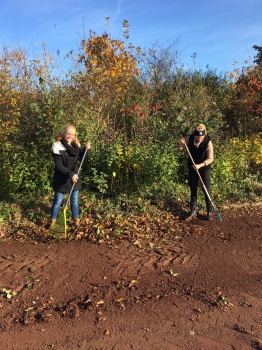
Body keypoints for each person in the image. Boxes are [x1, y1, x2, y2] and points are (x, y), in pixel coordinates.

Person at [48, 124, 91, 229]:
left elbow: (80, 159)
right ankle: (52, 222)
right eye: (68, 133)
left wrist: (86, 149)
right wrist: (70, 174)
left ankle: (76, 220)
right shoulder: (57, 146)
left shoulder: (75, 145)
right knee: (57, 201)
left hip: (74, 178)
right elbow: (59, 166)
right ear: (63, 133)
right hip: (62, 178)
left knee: (74, 201)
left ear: (74, 135)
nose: (70, 136)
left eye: (72, 134)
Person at [178, 123, 214, 220]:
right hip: (192, 167)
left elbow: (210, 159)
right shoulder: (190, 138)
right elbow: (180, 149)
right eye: (197, 137)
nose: (199, 139)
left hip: (204, 167)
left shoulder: (208, 142)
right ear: (195, 135)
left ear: (204, 135)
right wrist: (182, 143)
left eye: (201, 137)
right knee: (193, 188)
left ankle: (209, 211)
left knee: (206, 188)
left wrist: (199, 165)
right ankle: (193, 210)